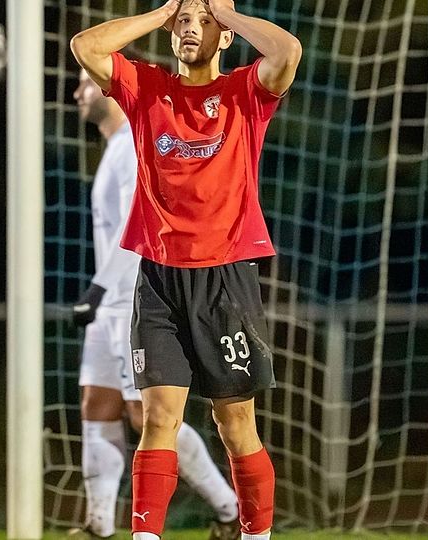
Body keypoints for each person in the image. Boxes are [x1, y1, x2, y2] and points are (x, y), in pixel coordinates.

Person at [71, 1, 301, 539]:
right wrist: (165, 12)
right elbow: (87, 46)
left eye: (203, 23)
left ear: (224, 38)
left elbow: (287, 51)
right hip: (156, 281)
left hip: (225, 280)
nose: (190, 29)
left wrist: (225, 13)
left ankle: (254, 532)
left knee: (235, 423)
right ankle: (144, 536)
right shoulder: (147, 88)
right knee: (156, 419)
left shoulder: (245, 93)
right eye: (184, 23)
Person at [69, 63, 243, 540]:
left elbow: (139, 228)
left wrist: (101, 290)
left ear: (109, 89)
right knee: (96, 404)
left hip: (131, 300)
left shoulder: (134, 147)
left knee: (145, 415)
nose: (77, 91)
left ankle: (229, 511)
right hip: (109, 303)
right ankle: (98, 525)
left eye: (86, 82)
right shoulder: (113, 148)